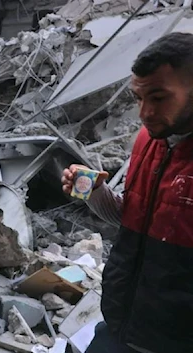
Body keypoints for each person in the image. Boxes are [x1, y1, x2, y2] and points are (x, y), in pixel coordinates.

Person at [61, 32, 193, 353]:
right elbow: (129, 215)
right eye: (138, 98)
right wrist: (95, 192)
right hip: (123, 326)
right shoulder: (147, 141)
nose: (144, 113)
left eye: (159, 98)